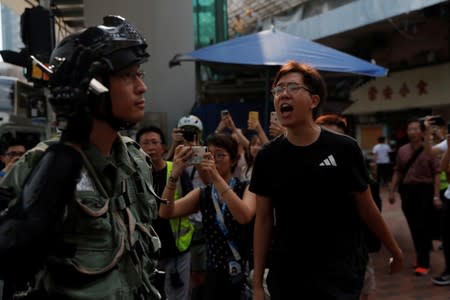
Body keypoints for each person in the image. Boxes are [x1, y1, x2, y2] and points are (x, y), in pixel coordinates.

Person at [0, 15, 162, 299]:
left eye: (140, 74)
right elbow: (13, 257)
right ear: (91, 87)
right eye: (127, 75)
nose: (141, 87)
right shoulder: (42, 165)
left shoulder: (136, 160)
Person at [250, 61, 403, 300]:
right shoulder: (267, 157)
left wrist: (394, 249)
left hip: (338, 273)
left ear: (314, 100)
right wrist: (257, 284)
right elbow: (263, 220)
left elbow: (367, 207)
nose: (283, 95)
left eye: (292, 87)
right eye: (278, 90)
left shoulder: (344, 148)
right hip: (288, 274)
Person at [159, 133, 256, 300]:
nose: (213, 159)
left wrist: (216, 177)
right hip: (213, 274)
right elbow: (166, 212)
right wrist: (174, 174)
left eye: (219, 155)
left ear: (233, 160)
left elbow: (244, 216)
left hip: (242, 273)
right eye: (208, 154)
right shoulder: (203, 194)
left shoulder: (246, 188)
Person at [315, 113, 382, 300]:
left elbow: (372, 215)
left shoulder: (363, 180)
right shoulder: (303, 174)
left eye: (337, 138)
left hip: (353, 255)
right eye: (325, 136)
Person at [136, 125, 194, 299]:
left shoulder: (175, 169)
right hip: (147, 253)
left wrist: (172, 210)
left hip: (177, 250)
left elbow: (192, 200)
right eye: (145, 143)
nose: (150, 147)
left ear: (163, 147)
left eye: (154, 142)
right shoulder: (135, 175)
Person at [388, 117, 440, 276]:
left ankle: (424, 262)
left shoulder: (430, 150)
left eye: (416, 129)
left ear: (422, 132)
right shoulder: (402, 150)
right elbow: (398, 170)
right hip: (407, 191)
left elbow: (437, 173)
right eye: (410, 129)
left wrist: (436, 196)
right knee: (414, 226)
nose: (412, 132)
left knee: (423, 225)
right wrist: (392, 190)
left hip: (425, 190)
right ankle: (421, 257)